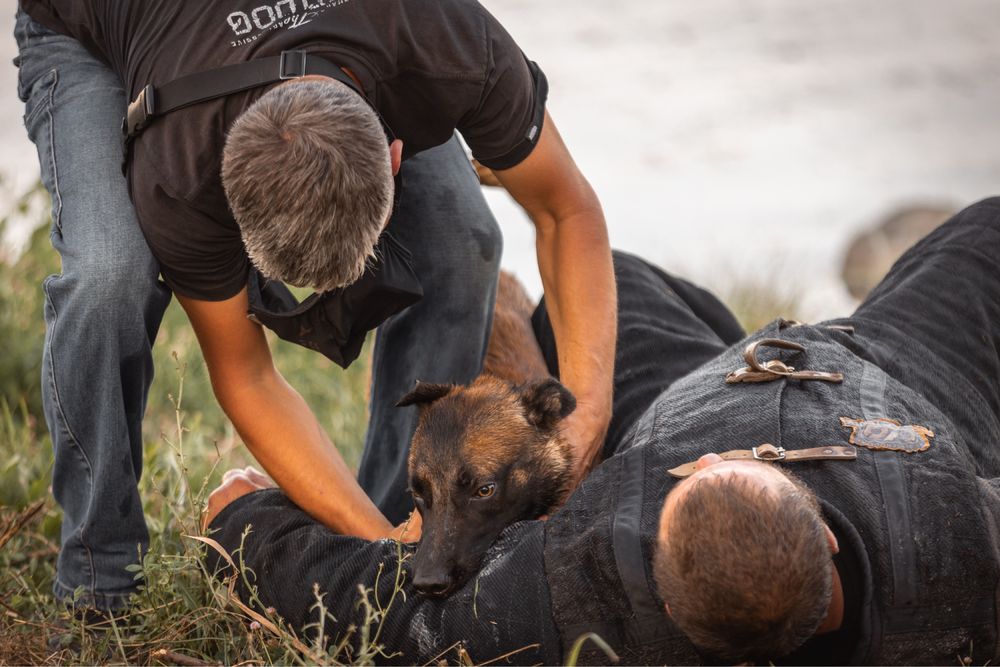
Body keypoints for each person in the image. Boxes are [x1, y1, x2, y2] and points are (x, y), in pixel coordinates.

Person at [206, 200, 1000, 665]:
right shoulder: (960, 543)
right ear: (827, 543)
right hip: (906, 372)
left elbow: (380, 608)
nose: (720, 456)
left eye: (701, 475)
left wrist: (242, 520)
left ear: (656, 554)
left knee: (593, 284)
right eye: (746, 467)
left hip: (685, 391)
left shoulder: (589, 584)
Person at [14, 0, 616, 612]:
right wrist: (374, 547)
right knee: (108, 279)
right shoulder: (180, 167)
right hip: (92, 30)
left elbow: (567, 210)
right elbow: (247, 375)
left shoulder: (449, 43)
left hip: (342, 43)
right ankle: (98, 578)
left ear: (393, 153)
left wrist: (587, 416)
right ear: (225, 186)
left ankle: (404, 524)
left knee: (462, 244)